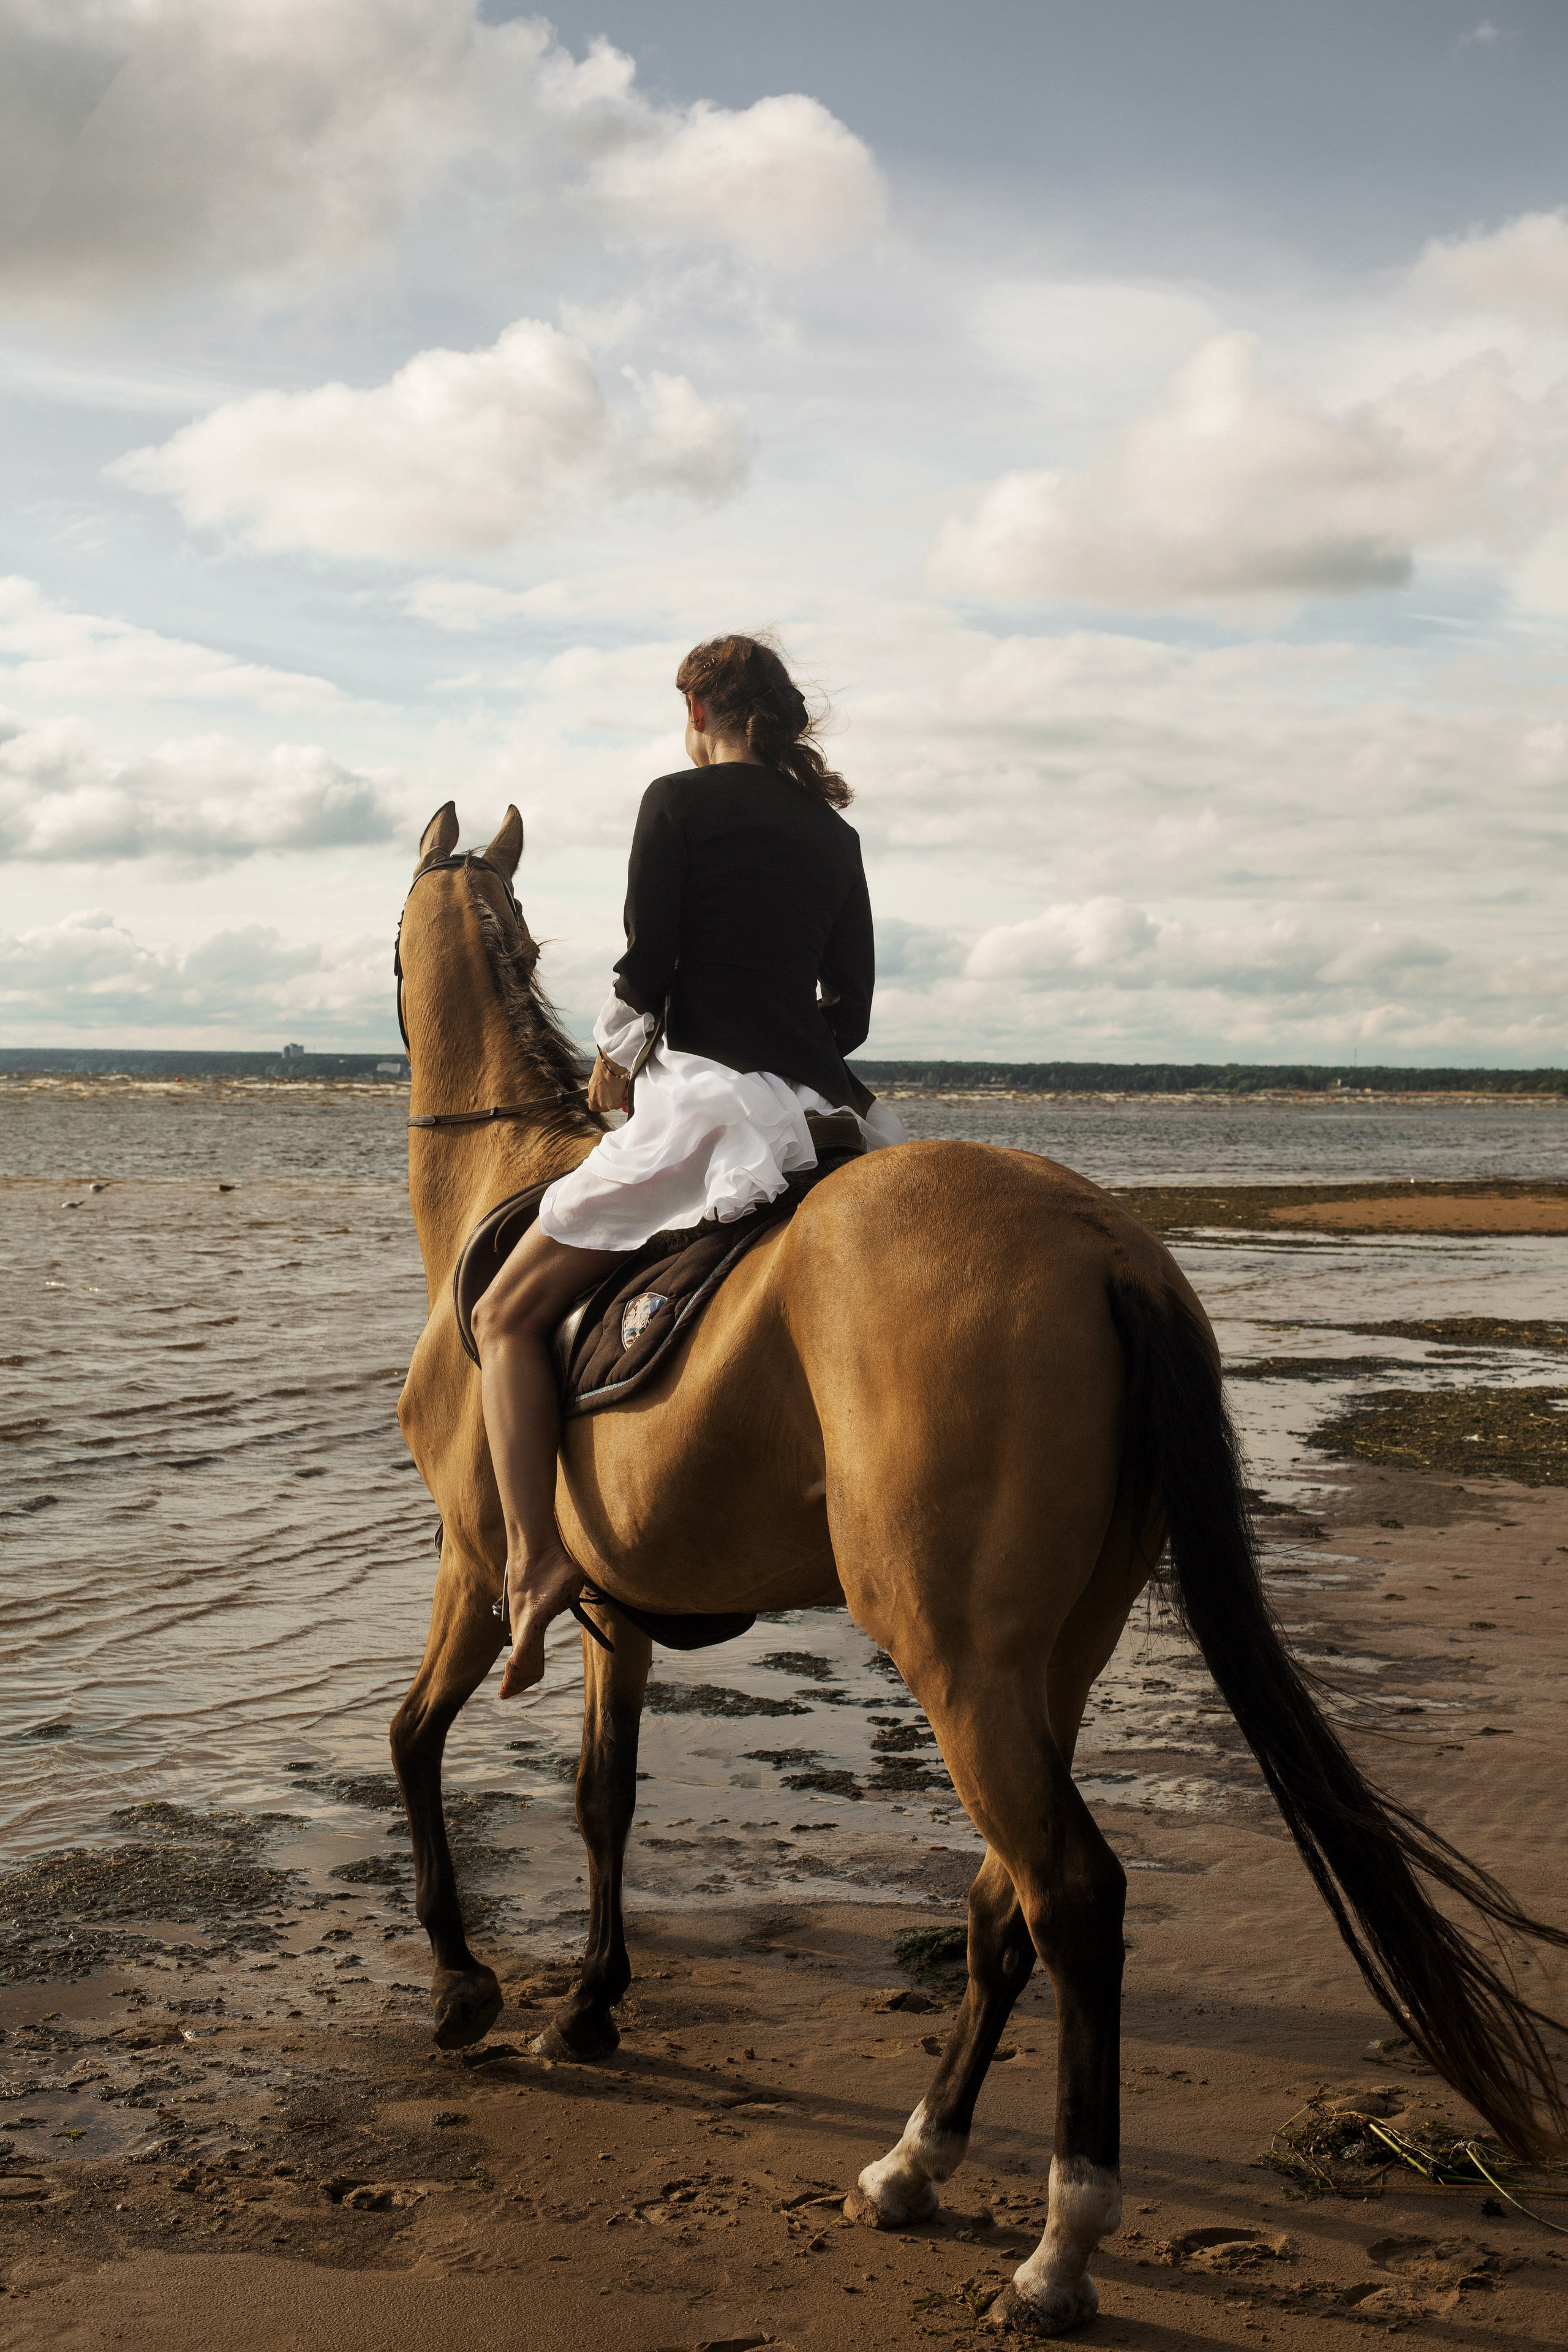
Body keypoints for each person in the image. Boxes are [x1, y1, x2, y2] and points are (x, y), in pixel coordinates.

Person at [470, 633, 905, 1697]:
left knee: (505, 1317)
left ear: (703, 709)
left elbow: (647, 962)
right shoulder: (835, 837)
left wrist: (616, 1063)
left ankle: (533, 1559)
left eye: (685, 711)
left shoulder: (676, 800)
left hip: (710, 1101)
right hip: (826, 1107)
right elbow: (848, 1006)